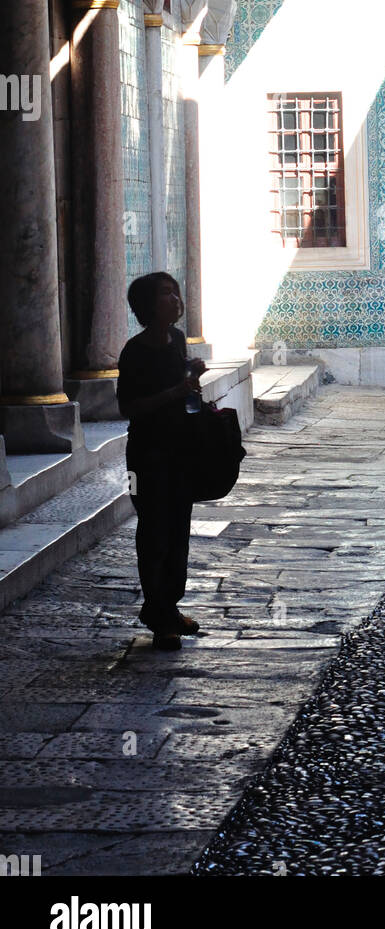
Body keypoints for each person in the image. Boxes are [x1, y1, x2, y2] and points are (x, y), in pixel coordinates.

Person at [117, 273, 206, 650]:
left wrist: (192, 375)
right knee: (154, 532)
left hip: (179, 449)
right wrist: (176, 391)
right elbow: (129, 407)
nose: (174, 298)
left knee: (177, 532)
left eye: (175, 291)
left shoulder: (178, 340)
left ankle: (168, 607)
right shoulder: (134, 351)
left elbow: (184, 390)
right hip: (148, 454)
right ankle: (158, 615)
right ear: (147, 305)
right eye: (165, 293)